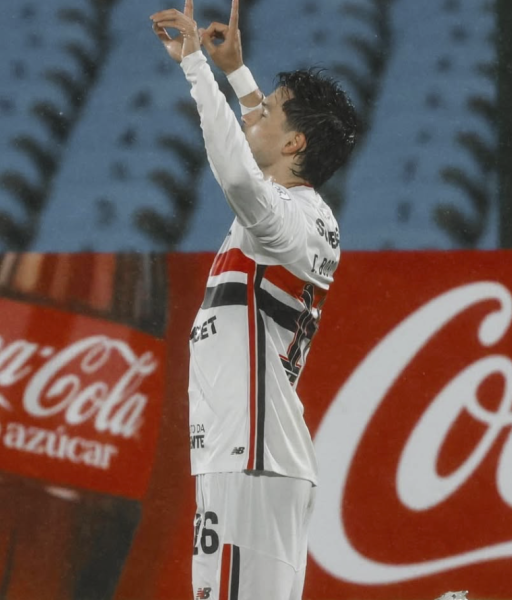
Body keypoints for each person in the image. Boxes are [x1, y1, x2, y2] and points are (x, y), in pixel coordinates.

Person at [150, 1, 357, 597]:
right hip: (255, 459)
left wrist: (196, 67)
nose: (254, 110)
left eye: (268, 108)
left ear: (295, 142)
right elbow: (263, 156)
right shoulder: (303, 216)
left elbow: (240, 174)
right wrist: (238, 74)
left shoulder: (284, 223)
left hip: (251, 458)